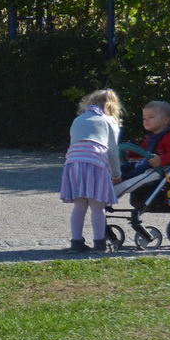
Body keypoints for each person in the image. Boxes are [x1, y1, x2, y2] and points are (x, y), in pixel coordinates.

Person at [61, 89, 120, 254]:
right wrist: (116, 174)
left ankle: (76, 241)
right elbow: (113, 151)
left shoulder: (78, 120)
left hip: (73, 163)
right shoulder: (108, 121)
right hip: (94, 164)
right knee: (97, 206)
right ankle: (99, 242)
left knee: (79, 206)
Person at [114, 100, 170, 195]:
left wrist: (161, 160)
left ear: (165, 120)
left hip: (161, 168)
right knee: (125, 167)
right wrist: (128, 153)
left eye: (150, 117)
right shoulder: (151, 137)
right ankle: (113, 178)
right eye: (144, 118)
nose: (146, 121)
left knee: (134, 176)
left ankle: (115, 190)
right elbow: (142, 151)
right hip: (147, 164)